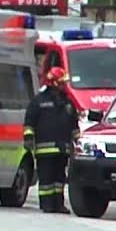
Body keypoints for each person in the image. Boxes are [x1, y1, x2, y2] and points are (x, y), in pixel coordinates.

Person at [23, 66, 80, 214]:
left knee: (59, 178)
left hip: (63, 148)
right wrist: (28, 137)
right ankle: (47, 204)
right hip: (45, 149)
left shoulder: (67, 102)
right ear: (53, 82)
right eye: (61, 82)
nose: (64, 85)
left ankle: (58, 204)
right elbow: (29, 121)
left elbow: (74, 124)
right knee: (46, 179)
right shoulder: (39, 101)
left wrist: (78, 141)